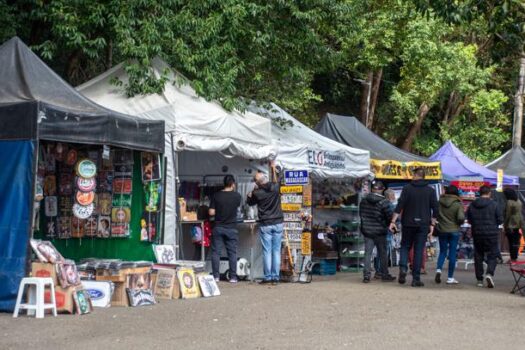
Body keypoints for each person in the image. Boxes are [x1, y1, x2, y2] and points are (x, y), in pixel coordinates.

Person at [389, 168, 439, 287]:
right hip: (423, 224)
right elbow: (436, 209)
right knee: (418, 249)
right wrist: (432, 224)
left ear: (416, 176)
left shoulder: (407, 188)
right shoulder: (430, 191)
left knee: (405, 246)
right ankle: (416, 278)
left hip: (408, 223)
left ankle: (403, 269)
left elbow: (400, 205)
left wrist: (393, 221)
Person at [247, 169, 284, 285]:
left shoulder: (257, 193)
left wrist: (251, 192)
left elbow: (250, 202)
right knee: (276, 251)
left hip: (266, 223)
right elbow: (278, 179)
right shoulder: (275, 187)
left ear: (257, 183)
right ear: (265, 179)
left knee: (267, 251)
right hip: (278, 222)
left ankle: (268, 277)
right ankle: (276, 276)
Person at [466, 185, 503, 288]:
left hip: (477, 233)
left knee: (478, 255)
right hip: (491, 233)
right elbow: (500, 219)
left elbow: (469, 218)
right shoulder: (495, 204)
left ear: (479, 192)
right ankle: (489, 273)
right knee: (493, 254)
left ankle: (479, 280)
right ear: (489, 193)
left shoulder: (472, 205)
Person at [359, 181, 396, 283]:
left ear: (372, 189)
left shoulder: (364, 200)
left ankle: (366, 276)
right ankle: (384, 274)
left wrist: (364, 227)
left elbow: (361, 214)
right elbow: (390, 216)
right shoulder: (384, 202)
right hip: (380, 231)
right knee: (383, 253)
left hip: (367, 231)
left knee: (368, 254)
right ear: (382, 189)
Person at [209, 175, 242, 283]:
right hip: (232, 227)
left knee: (216, 253)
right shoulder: (237, 196)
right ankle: (233, 277)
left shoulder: (216, 195)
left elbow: (211, 212)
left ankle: (216, 276)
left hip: (218, 227)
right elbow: (237, 208)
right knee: (232, 253)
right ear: (233, 184)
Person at [435, 185, 465, 284]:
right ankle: (450, 277)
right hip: (454, 230)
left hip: (442, 230)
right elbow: (460, 218)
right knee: (452, 253)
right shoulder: (457, 204)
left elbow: (435, 215)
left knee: (442, 252)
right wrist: (458, 223)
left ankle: (438, 269)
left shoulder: (440, 202)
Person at [503, 188, 523, 262]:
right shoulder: (518, 201)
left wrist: (505, 225)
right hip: (518, 222)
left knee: (511, 242)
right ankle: (514, 257)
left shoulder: (509, 202)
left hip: (511, 223)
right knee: (516, 241)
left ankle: (512, 258)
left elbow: (507, 214)